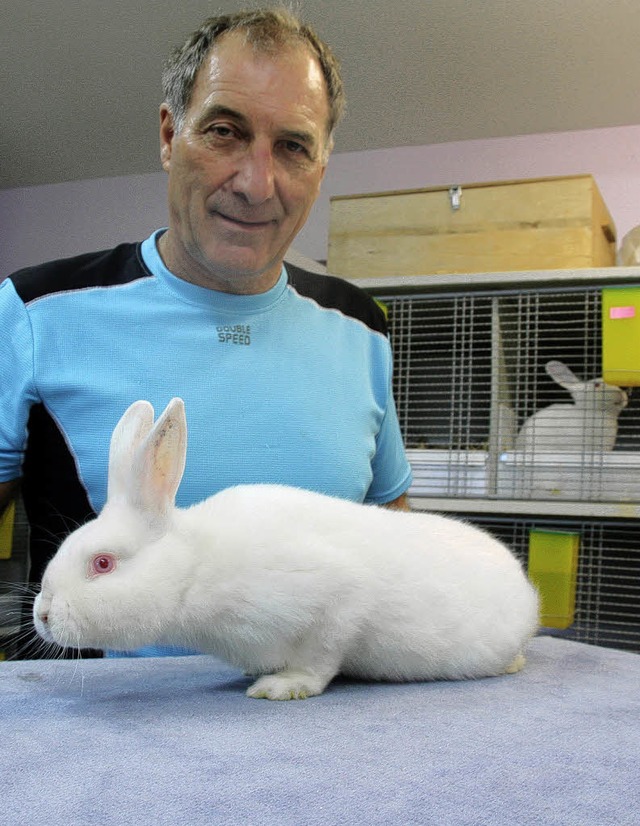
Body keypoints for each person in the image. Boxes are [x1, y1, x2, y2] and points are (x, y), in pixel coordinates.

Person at [0, 7, 412, 658]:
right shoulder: (33, 310)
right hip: (106, 737)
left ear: (322, 167)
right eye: (225, 132)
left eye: (293, 146)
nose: (256, 183)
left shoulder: (361, 327)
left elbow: (395, 540)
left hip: (319, 724)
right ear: (170, 136)